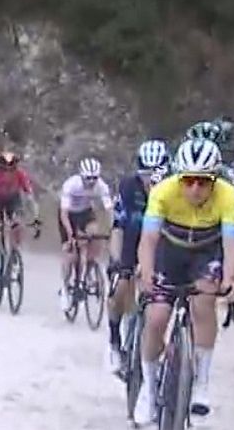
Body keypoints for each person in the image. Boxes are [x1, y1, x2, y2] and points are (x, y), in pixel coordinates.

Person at [135, 138, 234, 423]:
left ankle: (202, 384)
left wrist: (231, 278)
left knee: (203, 304)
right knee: (156, 317)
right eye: (188, 180)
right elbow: (148, 240)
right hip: (169, 251)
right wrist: (146, 274)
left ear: (215, 179)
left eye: (203, 182)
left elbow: (232, 244)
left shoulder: (229, 196)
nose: (195, 188)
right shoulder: (162, 191)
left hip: (206, 252)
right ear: (178, 177)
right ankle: (148, 385)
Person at [107, 139, 170, 371]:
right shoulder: (127, 187)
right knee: (121, 287)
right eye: (145, 175)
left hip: (162, 245)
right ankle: (114, 342)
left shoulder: (173, 190)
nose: (149, 181)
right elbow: (117, 227)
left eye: (155, 176)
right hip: (131, 240)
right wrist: (117, 262)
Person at [58, 158, 114, 315]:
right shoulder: (71, 185)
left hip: (85, 213)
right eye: (88, 178)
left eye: (94, 178)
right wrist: (70, 234)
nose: (91, 182)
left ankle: (87, 270)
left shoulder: (101, 186)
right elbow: (63, 213)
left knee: (94, 235)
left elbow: (109, 210)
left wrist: (112, 229)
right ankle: (64, 288)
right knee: (70, 253)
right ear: (81, 176)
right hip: (68, 215)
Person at [0, 151, 41, 254]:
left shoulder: (20, 173)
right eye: (4, 167)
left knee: (17, 221)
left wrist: (35, 217)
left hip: (13, 199)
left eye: (11, 167)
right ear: (0, 165)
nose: (8, 170)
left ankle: (16, 247)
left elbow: (30, 196)